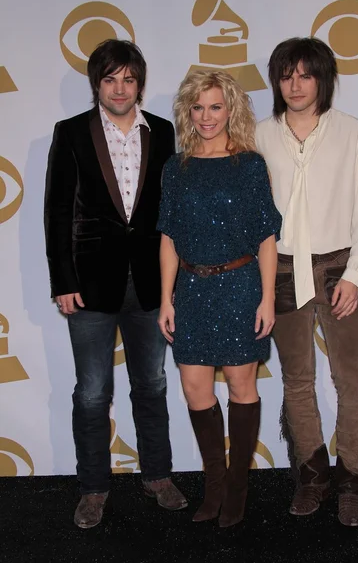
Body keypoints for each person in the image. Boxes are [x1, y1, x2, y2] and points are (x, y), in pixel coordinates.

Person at [44, 39, 187, 529]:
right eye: (110, 79)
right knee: (91, 392)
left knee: (152, 385)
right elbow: (57, 210)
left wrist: (177, 283)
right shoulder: (70, 133)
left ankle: (158, 477)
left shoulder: (165, 133)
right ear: (96, 85)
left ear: (139, 84)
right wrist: (61, 279)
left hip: (151, 286)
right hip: (88, 285)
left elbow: (173, 214)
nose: (120, 88)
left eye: (128, 79)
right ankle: (93, 487)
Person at [256, 37, 358, 527]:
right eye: (286, 75)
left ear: (323, 79)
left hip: (339, 268)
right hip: (283, 268)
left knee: (350, 378)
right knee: (297, 379)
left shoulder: (353, 132)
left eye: (305, 75)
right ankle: (312, 474)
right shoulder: (261, 136)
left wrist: (356, 275)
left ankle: (354, 478)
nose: (295, 84)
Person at [157, 69, 282, 528]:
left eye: (216, 106)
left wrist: (267, 298)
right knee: (195, 390)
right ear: (188, 112)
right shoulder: (177, 167)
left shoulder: (249, 164)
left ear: (231, 110)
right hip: (190, 291)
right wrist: (167, 298)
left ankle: (237, 490)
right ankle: (214, 486)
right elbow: (168, 237)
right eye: (198, 107)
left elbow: (267, 237)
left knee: (242, 386)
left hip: (238, 287)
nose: (207, 116)